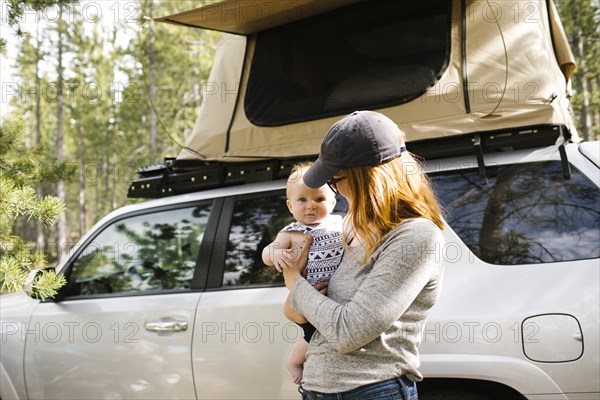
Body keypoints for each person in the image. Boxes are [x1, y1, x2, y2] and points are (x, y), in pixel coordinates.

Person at [278, 111, 445, 400]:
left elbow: (347, 331)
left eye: (336, 180)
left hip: (372, 390)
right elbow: (295, 312)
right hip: (317, 388)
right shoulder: (350, 227)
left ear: (368, 178)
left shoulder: (416, 237)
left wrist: (294, 280)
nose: (336, 191)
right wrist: (302, 296)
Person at [262, 162, 344, 384]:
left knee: (321, 334)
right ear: (290, 206)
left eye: (319, 199)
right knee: (312, 335)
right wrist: (274, 254)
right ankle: (294, 362)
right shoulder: (291, 233)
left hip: (332, 295)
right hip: (306, 296)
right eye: (302, 200)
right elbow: (267, 252)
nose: (311, 206)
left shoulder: (340, 224)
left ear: (333, 202)